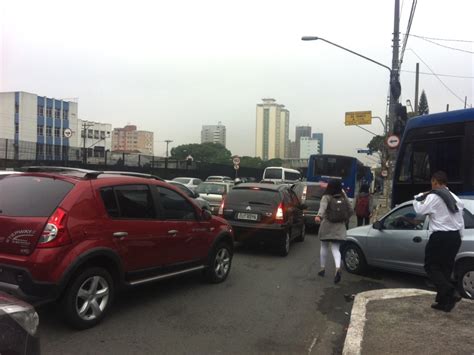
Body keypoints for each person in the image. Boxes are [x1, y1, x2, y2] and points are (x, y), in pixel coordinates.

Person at [413, 171, 464, 312]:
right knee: (445, 269)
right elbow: (460, 221)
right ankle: (444, 303)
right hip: (455, 237)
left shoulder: (435, 196)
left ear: (435, 181)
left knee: (431, 267)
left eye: (432, 182)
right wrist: (460, 236)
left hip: (440, 237)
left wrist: (417, 197)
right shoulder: (455, 198)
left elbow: (420, 210)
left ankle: (450, 291)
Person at [314, 179, 353, 284]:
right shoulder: (343, 196)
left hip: (327, 224)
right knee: (336, 248)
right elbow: (350, 209)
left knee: (324, 246)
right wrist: (345, 218)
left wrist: (318, 216)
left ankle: (322, 268)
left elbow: (322, 208)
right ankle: (337, 268)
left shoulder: (326, 196)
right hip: (339, 226)